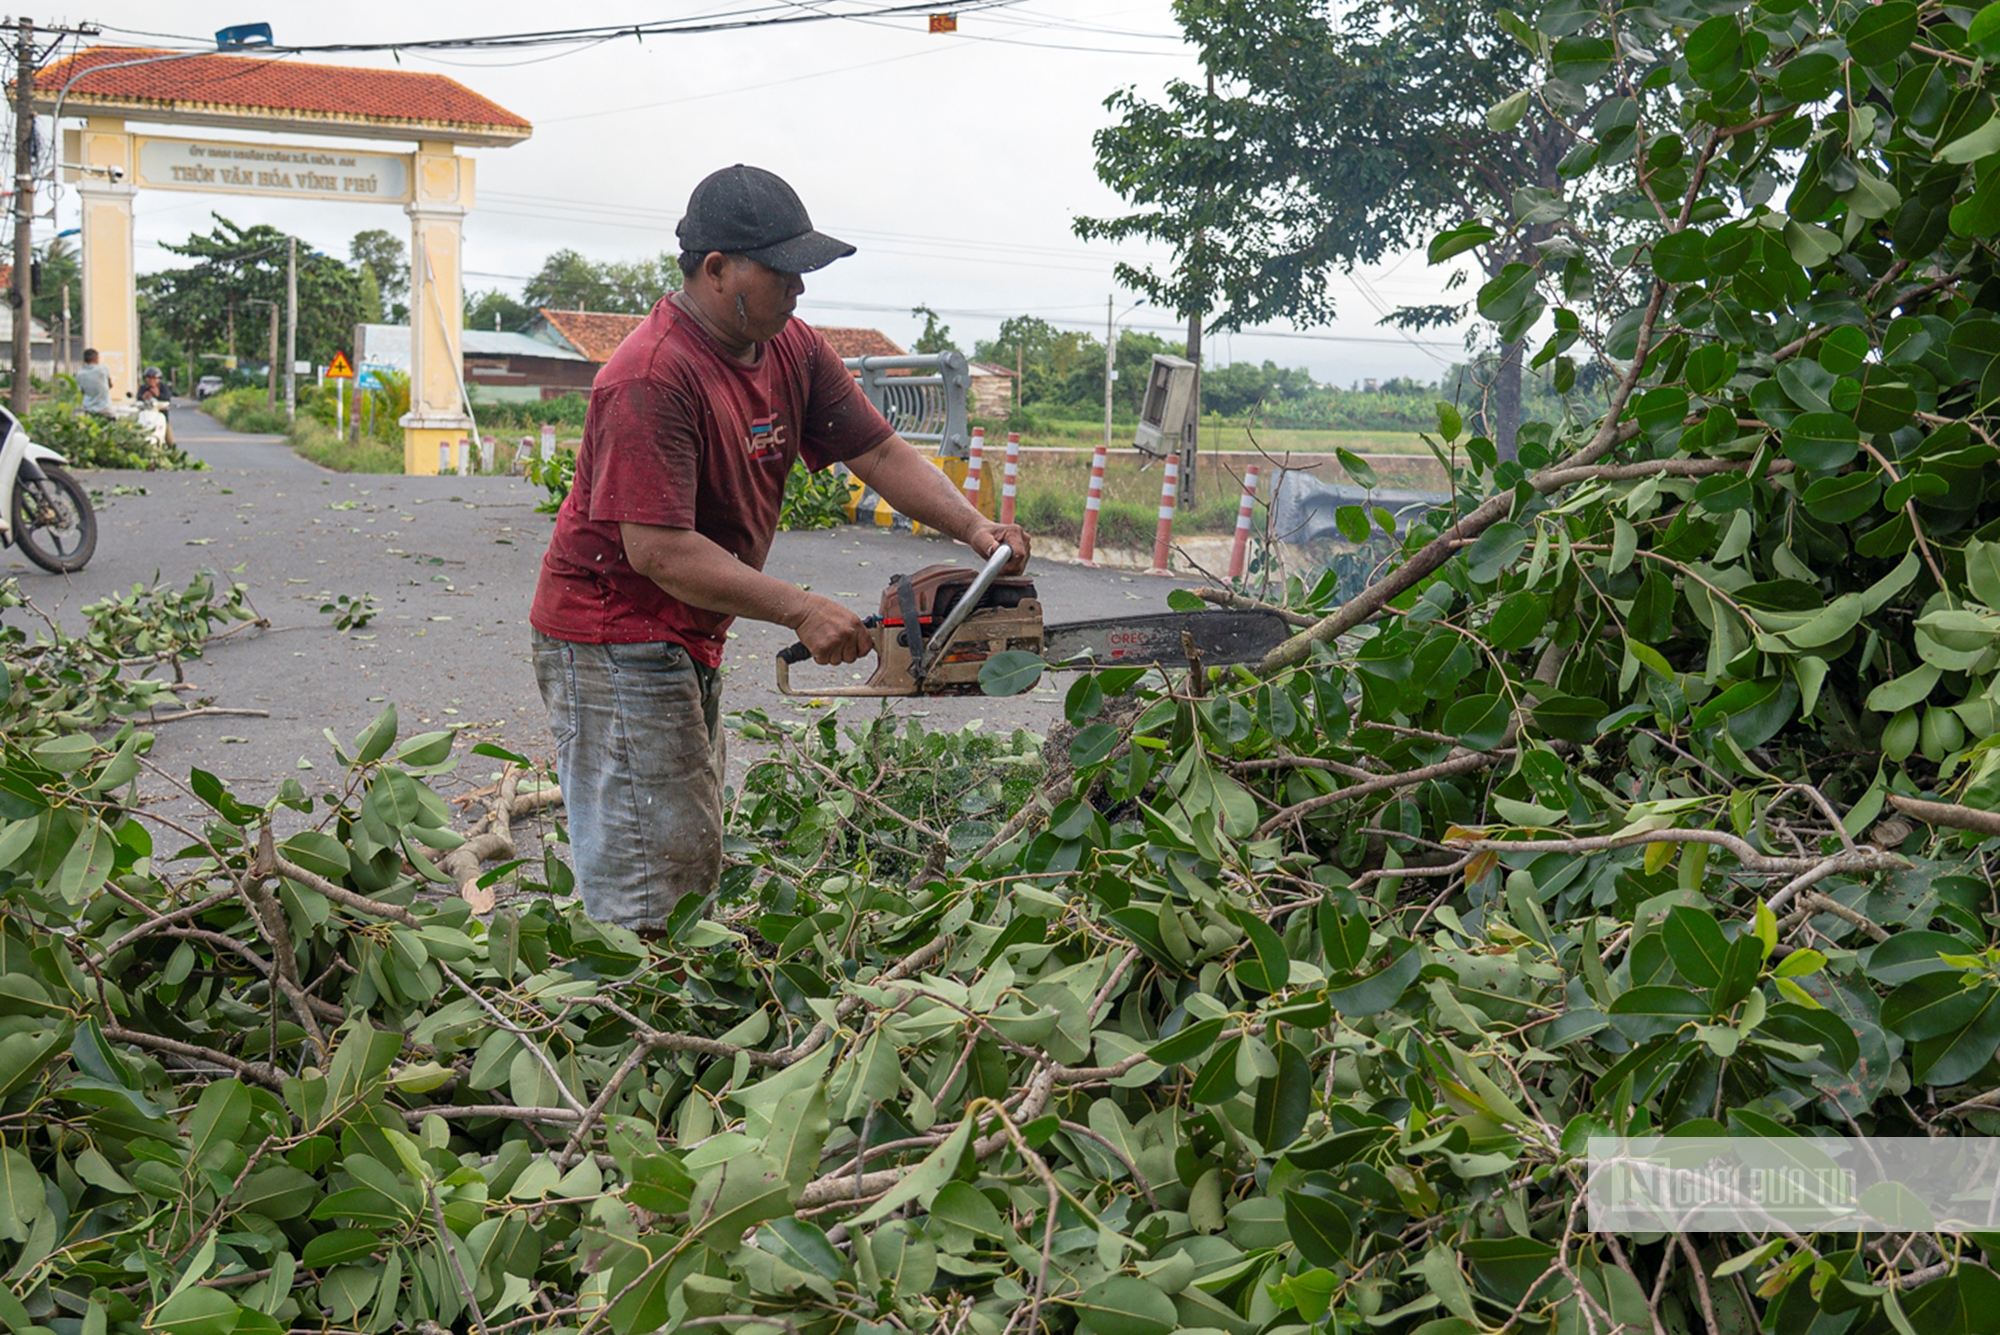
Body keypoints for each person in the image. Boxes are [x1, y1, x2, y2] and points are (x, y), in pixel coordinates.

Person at [530, 164, 1031, 936]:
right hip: (611, 633)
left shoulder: (792, 348)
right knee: (651, 877)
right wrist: (800, 608)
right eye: (784, 271)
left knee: (684, 847)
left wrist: (975, 528)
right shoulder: (651, 376)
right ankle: (628, 1019)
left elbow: (880, 453)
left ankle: (665, 999)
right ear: (716, 267)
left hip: (686, 631)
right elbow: (658, 550)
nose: (799, 290)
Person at [136, 367, 175, 446]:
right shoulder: (143, 388)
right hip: (145, 418)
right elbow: (138, 398)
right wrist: (144, 397)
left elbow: (167, 399)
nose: (151, 381)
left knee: (171, 442)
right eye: (149, 378)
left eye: (154, 378)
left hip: (160, 417)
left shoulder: (163, 388)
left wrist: (158, 394)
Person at [74, 349, 112, 419]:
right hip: (105, 409)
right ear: (96, 359)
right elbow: (110, 385)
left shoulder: (80, 374)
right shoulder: (103, 369)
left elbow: (82, 391)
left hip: (89, 410)